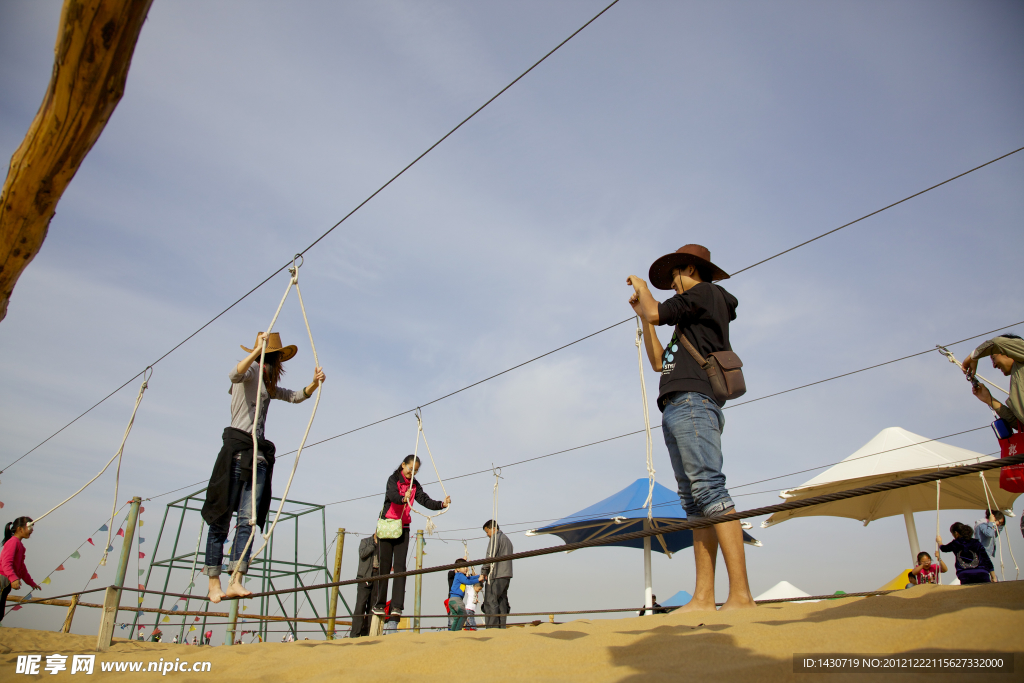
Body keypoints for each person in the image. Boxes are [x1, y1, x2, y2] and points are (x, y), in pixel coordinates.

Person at [627, 244, 755, 612]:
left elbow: (656, 310)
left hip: (693, 402)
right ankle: (703, 597)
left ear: (690, 269)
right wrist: (643, 316)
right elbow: (656, 362)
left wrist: (642, 287)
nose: (670, 284)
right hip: (677, 405)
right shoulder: (688, 319)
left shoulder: (706, 294)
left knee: (710, 491)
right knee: (694, 502)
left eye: (672, 277)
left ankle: (741, 596)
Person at [201, 331, 325, 603]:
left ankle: (235, 579)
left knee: (248, 520)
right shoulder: (250, 371)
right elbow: (234, 374)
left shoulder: (268, 383)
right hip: (236, 453)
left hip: (257, 457)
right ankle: (214, 582)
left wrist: (314, 384)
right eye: (274, 357)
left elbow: (293, 396)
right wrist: (256, 352)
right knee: (221, 519)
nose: (275, 362)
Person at [371, 455, 450, 622]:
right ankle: (379, 603)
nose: (412, 472)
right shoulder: (393, 479)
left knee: (400, 567)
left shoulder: (415, 484)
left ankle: (396, 606)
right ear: (403, 465)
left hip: (403, 527)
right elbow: (392, 495)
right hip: (387, 526)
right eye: (410, 468)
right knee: (384, 565)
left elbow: (424, 500)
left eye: (416, 470)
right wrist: (403, 498)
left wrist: (441, 504)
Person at [961, 333, 1024, 429]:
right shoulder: (1017, 381)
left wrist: (974, 356)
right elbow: (1019, 425)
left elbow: (998, 342)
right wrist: (989, 400)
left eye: (993, 358)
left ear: (1006, 352)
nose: (994, 366)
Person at [0, 516, 42, 622]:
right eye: (30, 527)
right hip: (2, 580)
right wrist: (13, 578)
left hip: (6, 583)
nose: (32, 530)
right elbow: (6, 563)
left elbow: (22, 568)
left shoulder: (20, 546)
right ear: (20, 529)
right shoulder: (12, 542)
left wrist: (31, 583)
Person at [481, 520, 513, 628]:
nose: (487, 535)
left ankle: (492, 628)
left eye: (487, 531)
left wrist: (484, 571)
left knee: (491, 600)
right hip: (506, 574)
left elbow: (490, 555)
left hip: (497, 574)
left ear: (493, 529)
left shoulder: (495, 538)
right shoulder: (507, 540)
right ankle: (502, 626)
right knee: (502, 601)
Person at [350, 533, 379, 638]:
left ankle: (367, 633)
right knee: (360, 606)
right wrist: (374, 545)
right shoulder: (365, 541)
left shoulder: (383, 544)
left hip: (377, 575)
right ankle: (355, 634)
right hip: (364, 576)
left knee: (372, 607)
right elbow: (362, 554)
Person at [448, 560, 482, 631]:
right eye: (464, 567)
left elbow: (469, 578)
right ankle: (457, 631)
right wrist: (478, 579)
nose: (466, 568)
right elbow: (468, 581)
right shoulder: (459, 575)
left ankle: (452, 632)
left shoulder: (460, 576)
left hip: (452, 600)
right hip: (456, 599)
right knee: (464, 615)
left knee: (457, 618)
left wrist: (478, 576)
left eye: (467, 566)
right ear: (457, 569)